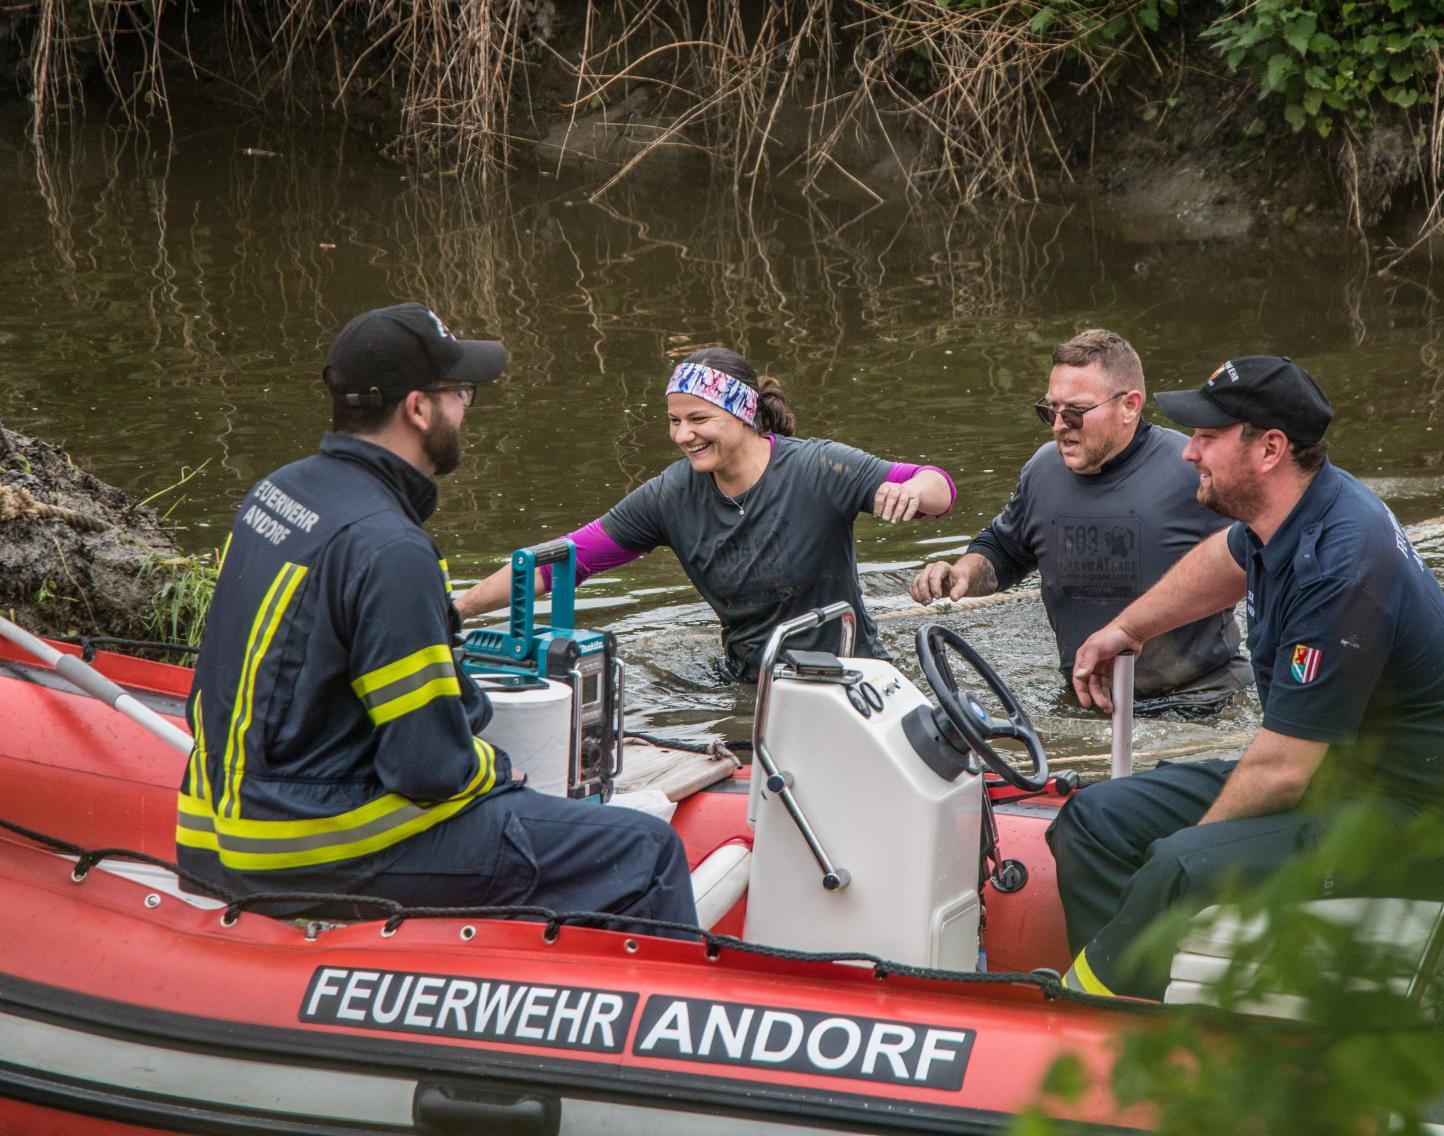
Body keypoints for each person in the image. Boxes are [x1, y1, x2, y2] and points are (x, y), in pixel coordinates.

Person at [176, 302, 697, 932]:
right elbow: (428, 769)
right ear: (419, 409)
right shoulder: (390, 548)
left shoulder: (277, 493)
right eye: (461, 394)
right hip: (309, 849)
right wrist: (500, 772)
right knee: (643, 852)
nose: (465, 410)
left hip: (212, 834)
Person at [1048, 355, 1444, 998]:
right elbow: (1227, 558)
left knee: (1177, 865)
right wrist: (1130, 628)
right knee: (1095, 819)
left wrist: (1195, 855)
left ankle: (1093, 1011)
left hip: (1407, 823)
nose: (1187, 452)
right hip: (1333, 781)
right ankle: (1137, 996)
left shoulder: (1343, 570)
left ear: (1269, 449)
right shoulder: (1290, 512)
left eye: (1207, 436)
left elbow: (1283, 769)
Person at [456, 348, 956, 680]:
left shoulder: (818, 467)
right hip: (753, 684)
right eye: (674, 420)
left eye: (699, 419)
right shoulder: (670, 496)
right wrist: (457, 609)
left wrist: (913, 489)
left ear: (742, 414)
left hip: (850, 677)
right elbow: (565, 560)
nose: (682, 436)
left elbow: (942, 488)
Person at [908, 329, 1250, 715]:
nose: (1058, 425)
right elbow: (1004, 549)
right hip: (1084, 703)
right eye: (1049, 410)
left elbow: (1264, 556)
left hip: (1199, 701)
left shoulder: (1193, 469)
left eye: (1074, 412)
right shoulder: (1042, 471)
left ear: (1129, 406)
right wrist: (962, 574)